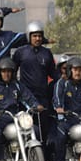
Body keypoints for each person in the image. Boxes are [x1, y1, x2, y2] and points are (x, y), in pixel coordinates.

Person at [12, 20, 59, 153]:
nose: (37, 38)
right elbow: (12, 73)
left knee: (43, 130)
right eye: (34, 36)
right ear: (29, 36)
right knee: (26, 128)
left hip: (42, 98)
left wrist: (63, 79)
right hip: (25, 98)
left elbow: (53, 73)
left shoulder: (47, 53)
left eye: (39, 35)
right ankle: (24, 157)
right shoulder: (20, 52)